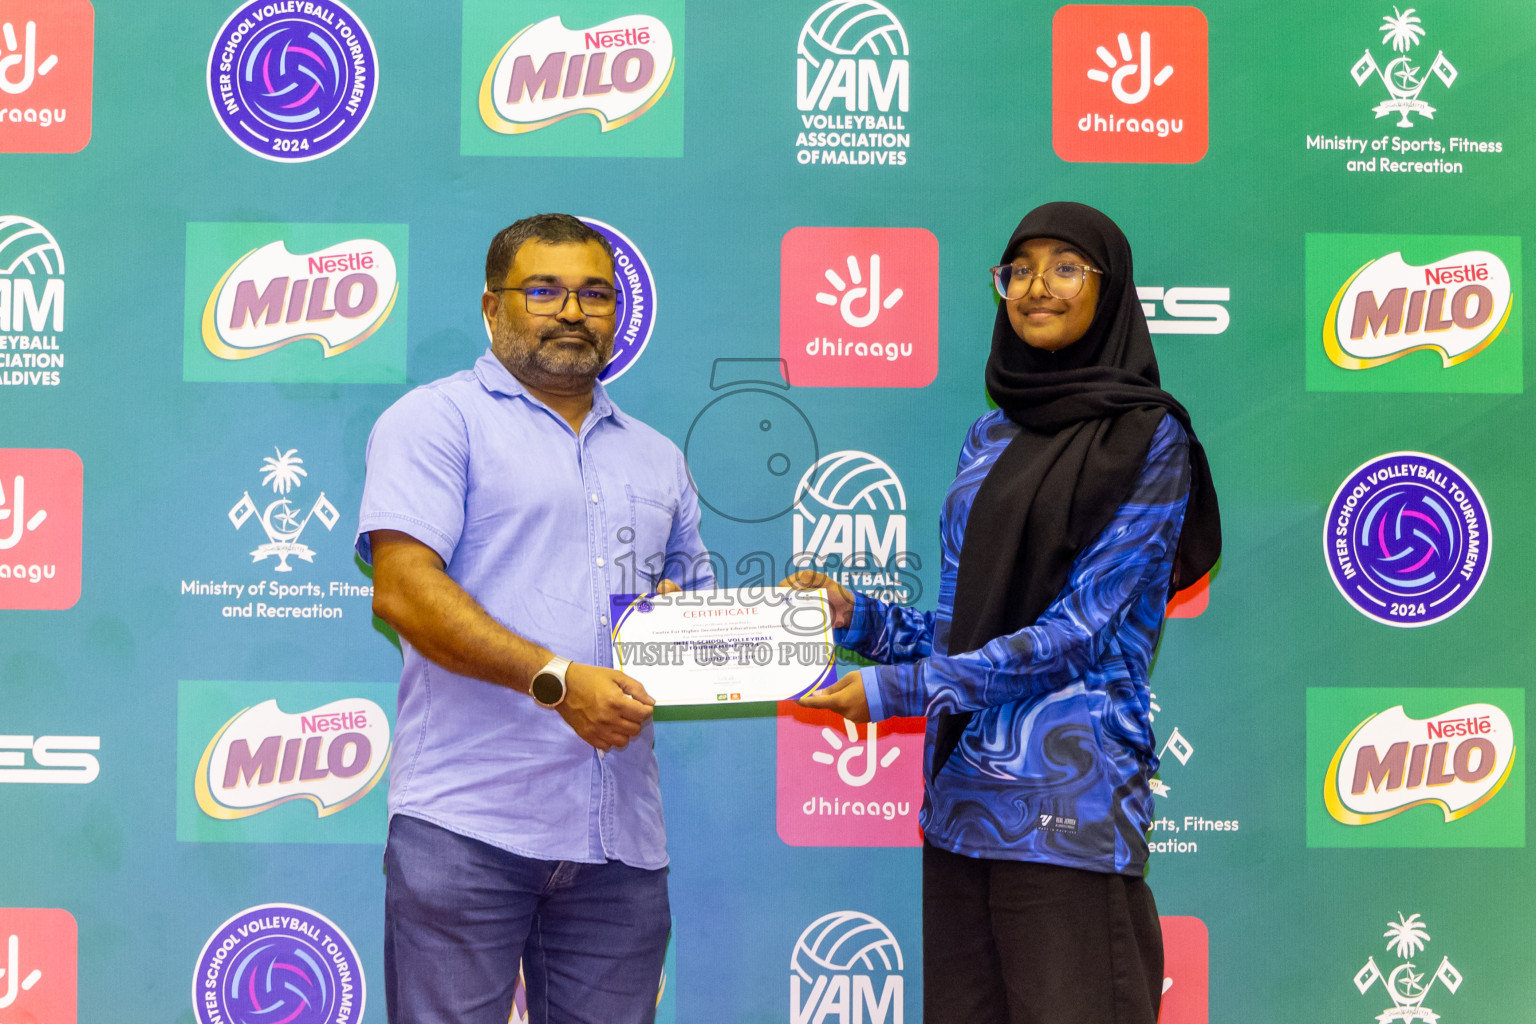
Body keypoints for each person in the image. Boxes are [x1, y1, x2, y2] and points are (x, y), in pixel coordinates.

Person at [792, 201, 1220, 1024]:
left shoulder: (1148, 438)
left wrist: (897, 693)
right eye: (1018, 269)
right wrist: (858, 621)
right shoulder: (988, 435)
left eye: (1065, 267)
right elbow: (970, 626)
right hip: (960, 805)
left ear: (1111, 289)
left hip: (1070, 807)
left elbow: (1079, 635)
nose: (1035, 287)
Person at [356, 213, 712, 1024]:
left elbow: (688, 617)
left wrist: (785, 621)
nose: (573, 312)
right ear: (492, 307)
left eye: (595, 294)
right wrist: (556, 681)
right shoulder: (436, 421)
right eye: (543, 290)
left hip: (620, 840)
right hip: (468, 825)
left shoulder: (660, 458)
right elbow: (404, 592)